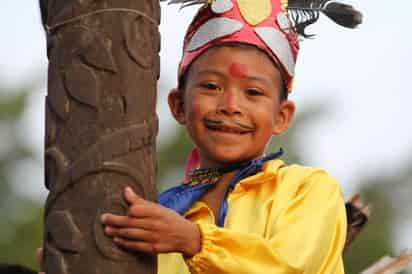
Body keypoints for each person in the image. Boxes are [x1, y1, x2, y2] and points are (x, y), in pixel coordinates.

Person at [39, 0, 362, 273]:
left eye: (253, 92)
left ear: (282, 116)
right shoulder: (154, 217)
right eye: (211, 87)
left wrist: (195, 241)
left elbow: (291, 267)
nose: (231, 106)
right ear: (178, 105)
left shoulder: (307, 190)